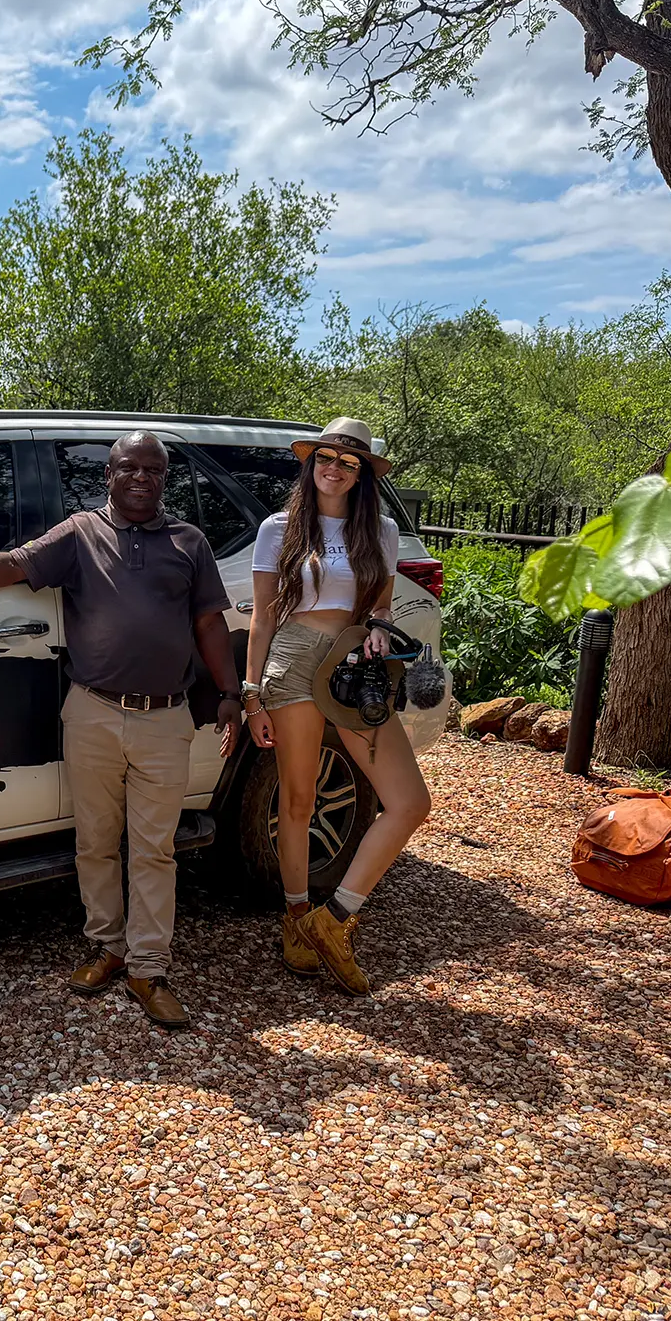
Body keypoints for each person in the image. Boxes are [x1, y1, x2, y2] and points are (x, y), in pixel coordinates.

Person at [0, 431, 241, 1028]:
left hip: (166, 717)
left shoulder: (189, 542)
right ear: (108, 474)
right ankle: (108, 948)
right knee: (95, 841)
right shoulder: (81, 533)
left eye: (154, 470)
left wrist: (232, 696)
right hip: (93, 712)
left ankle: (148, 966)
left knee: (154, 849)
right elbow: (14, 563)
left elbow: (210, 624)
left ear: (164, 478)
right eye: (129, 467)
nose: (142, 478)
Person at [242, 417, 432, 995]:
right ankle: (297, 920)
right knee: (298, 800)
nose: (334, 469)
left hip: (353, 665)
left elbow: (378, 606)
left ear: (362, 474)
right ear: (312, 462)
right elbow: (264, 615)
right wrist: (252, 694)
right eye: (326, 458)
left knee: (409, 802)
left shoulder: (382, 530)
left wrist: (377, 628)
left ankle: (336, 917)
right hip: (294, 660)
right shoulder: (279, 528)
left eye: (348, 463)